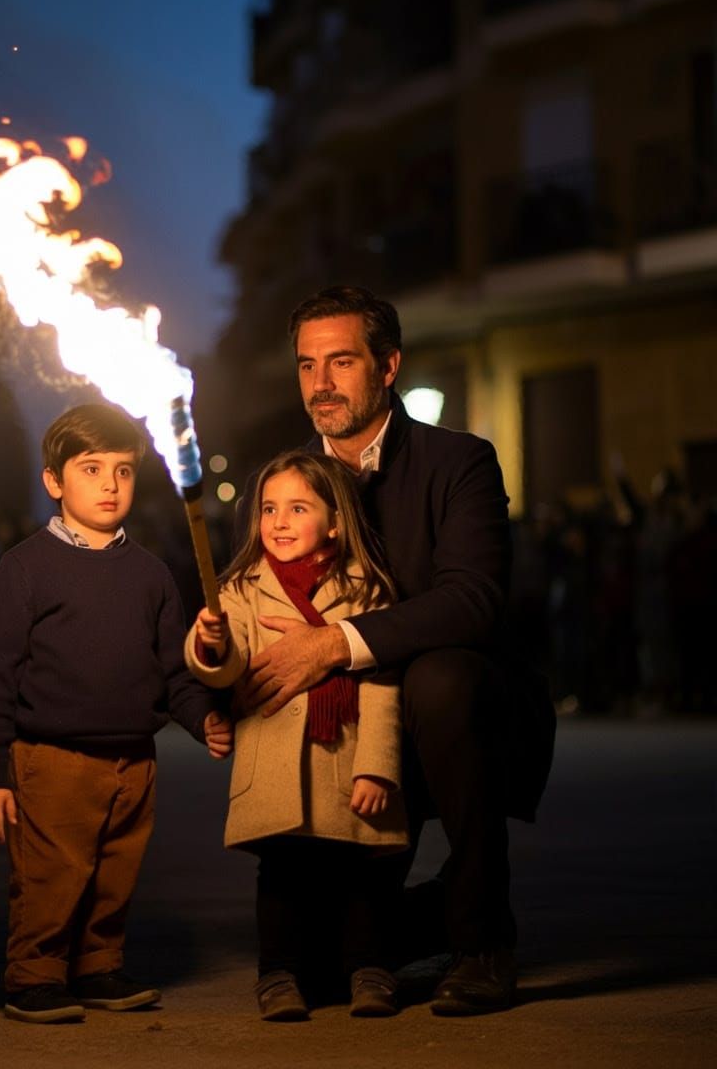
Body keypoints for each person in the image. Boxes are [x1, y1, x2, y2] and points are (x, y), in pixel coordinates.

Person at [237, 286, 556, 1016]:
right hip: (338, 725)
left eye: (341, 361)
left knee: (438, 678)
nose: (320, 383)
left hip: (455, 709)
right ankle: (420, 919)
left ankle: (482, 941)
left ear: (388, 366)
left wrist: (334, 645)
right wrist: (214, 685)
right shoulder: (280, 485)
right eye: (307, 364)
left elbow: (474, 600)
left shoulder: (461, 462)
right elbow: (246, 606)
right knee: (319, 974)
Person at [0, 402, 233, 1024]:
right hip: (52, 759)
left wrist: (203, 719)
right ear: (54, 482)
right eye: (90, 469)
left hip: (135, 759)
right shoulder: (24, 569)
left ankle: (99, 966)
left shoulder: (151, 574)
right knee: (52, 875)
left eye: (122, 470)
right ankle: (33, 975)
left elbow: (174, 671)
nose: (110, 485)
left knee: (116, 872)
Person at [186, 450, 410, 1021]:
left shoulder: (366, 591)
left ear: (335, 520)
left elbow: (382, 682)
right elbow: (229, 664)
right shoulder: (240, 589)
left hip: (346, 755)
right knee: (283, 873)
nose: (278, 521)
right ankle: (279, 976)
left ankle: (369, 968)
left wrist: (378, 764)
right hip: (277, 761)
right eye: (268, 508)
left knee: (361, 872)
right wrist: (211, 643)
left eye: (297, 508)